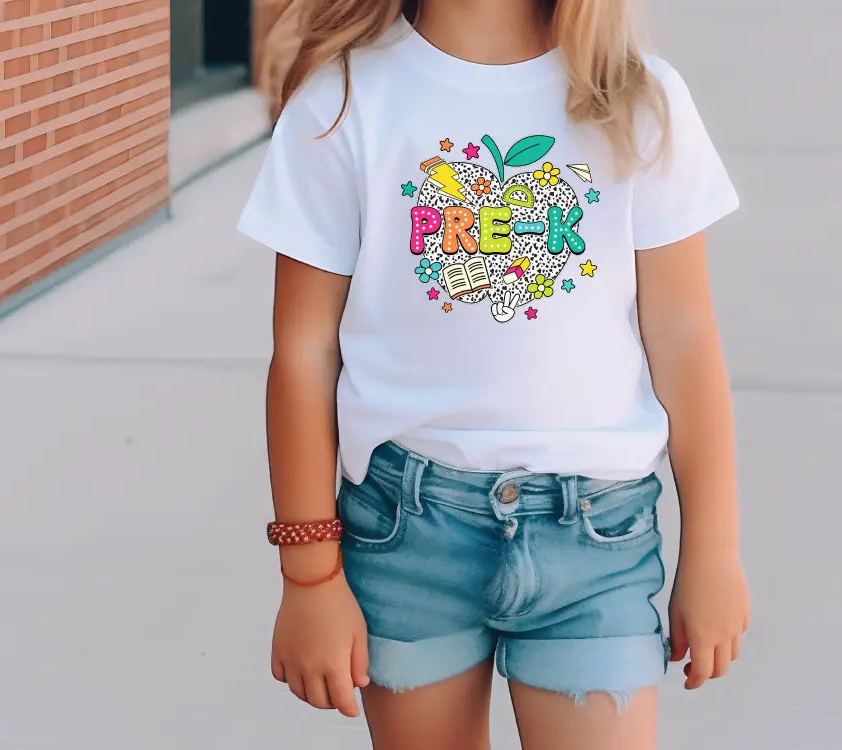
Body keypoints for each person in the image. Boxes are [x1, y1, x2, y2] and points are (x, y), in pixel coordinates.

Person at [238, 1, 750, 748]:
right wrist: (308, 577)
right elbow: (304, 352)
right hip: (406, 535)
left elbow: (684, 336)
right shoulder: (343, 100)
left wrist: (714, 550)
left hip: (596, 542)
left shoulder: (638, 98)